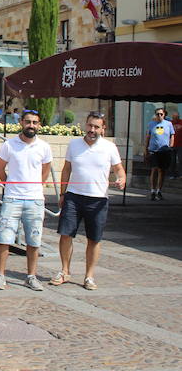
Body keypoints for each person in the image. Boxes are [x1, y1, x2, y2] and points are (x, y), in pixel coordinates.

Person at [51, 112, 126, 290]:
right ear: (85, 125)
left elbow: (119, 169)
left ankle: (89, 276)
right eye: (90, 126)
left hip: (98, 199)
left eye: (96, 127)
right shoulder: (74, 144)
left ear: (103, 129)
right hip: (73, 197)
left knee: (94, 239)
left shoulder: (109, 147)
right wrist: (63, 194)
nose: (92, 130)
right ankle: (64, 271)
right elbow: (66, 169)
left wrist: (121, 179)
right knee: (66, 234)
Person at [0, 109, 53, 291]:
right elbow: (0, 168)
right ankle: (0, 275)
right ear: (21, 123)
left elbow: (46, 170)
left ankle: (31, 276)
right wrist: (9, 184)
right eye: (28, 122)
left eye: (34, 122)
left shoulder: (44, 147)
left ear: (39, 125)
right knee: (4, 238)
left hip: (34, 200)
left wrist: (36, 186)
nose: (31, 125)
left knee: (34, 240)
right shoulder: (10, 145)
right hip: (12, 199)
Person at [145, 108, 174, 200]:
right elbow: (148, 137)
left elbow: (172, 135)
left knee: (162, 170)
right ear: (155, 115)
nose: (159, 116)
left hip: (164, 151)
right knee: (154, 169)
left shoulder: (169, 124)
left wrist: (171, 146)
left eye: (161, 114)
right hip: (154, 150)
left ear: (164, 114)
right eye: (158, 114)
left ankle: (159, 191)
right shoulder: (151, 124)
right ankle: (152, 191)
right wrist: (145, 149)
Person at [171, 112, 182, 179]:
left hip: (180, 144)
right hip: (172, 145)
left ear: (178, 117)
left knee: (181, 159)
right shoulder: (170, 123)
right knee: (172, 160)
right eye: (174, 117)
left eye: (176, 117)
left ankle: (181, 174)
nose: (175, 118)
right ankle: (172, 174)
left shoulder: (181, 122)